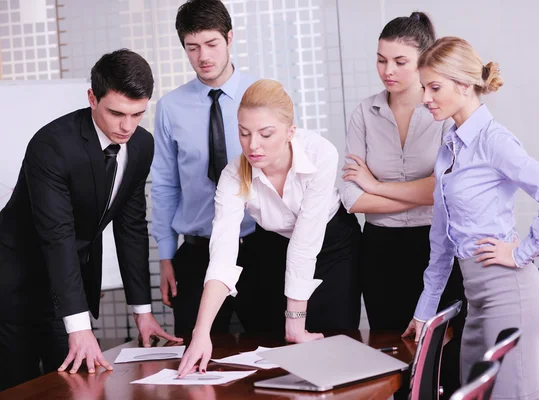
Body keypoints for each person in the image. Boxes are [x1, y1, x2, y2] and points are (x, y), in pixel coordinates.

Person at [402, 37, 539, 400]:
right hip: (475, 300)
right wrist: (424, 310)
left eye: (435, 87)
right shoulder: (449, 145)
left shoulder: (494, 141)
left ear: (465, 85)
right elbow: (442, 239)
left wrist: (519, 252)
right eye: (424, 88)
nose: (425, 98)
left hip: (508, 295)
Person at [0, 49, 180, 391]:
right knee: (20, 386)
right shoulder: (51, 145)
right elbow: (58, 235)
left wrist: (142, 313)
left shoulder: (141, 145)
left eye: (137, 114)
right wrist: (80, 327)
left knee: (76, 384)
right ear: (91, 98)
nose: (127, 126)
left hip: (65, 284)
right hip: (15, 279)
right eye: (116, 114)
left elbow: (131, 227)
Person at [177, 79, 362, 377]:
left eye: (266, 134)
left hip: (331, 244)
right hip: (274, 244)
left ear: (290, 132)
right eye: (244, 133)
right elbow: (222, 256)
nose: (253, 145)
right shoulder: (233, 175)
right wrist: (201, 333)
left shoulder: (320, 153)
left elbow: (305, 243)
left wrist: (295, 322)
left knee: (331, 341)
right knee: (279, 347)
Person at [341, 13, 466, 397]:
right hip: (379, 253)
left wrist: (377, 185)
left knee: (445, 365)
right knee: (394, 361)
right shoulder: (365, 111)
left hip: (439, 247)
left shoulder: (445, 113)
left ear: (425, 60)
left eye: (399, 61)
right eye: (381, 59)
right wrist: (416, 190)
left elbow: (445, 191)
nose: (387, 70)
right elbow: (351, 198)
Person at [151, 0, 258, 337]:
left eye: (212, 44)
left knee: (272, 354)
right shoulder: (170, 107)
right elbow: (165, 185)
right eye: (192, 47)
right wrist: (166, 256)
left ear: (229, 38)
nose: (203, 56)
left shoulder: (260, 94)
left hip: (260, 245)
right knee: (197, 357)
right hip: (197, 252)